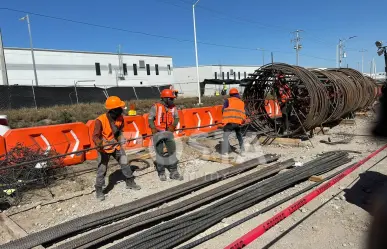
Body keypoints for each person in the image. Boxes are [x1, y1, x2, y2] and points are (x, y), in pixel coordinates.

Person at [93, 96, 141, 201]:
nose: (122, 109)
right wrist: (99, 143)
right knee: (102, 169)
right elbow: (95, 136)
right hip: (104, 148)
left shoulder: (120, 118)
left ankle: (130, 182)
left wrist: (121, 139)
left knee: (125, 163)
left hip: (116, 145)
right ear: (113, 110)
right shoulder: (100, 120)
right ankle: (99, 189)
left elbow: (119, 131)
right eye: (120, 108)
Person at [148, 89, 183, 181]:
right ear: (165, 98)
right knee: (159, 153)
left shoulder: (173, 107)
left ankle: (173, 171)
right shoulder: (156, 107)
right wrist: (153, 128)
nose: (172, 100)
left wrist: (173, 126)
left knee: (172, 151)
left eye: (173, 99)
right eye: (170, 99)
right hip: (158, 133)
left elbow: (176, 118)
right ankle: (161, 172)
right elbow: (150, 119)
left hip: (169, 133)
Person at [221, 88, 247, 155]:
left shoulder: (228, 100)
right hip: (238, 122)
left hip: (230, 122)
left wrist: (225, 119)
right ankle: (242, 151)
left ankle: (226, 151)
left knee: (225, 136)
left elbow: (223, 110)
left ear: (230, 94)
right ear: (237, 94)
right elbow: (243, 112)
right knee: (239, 135)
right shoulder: (241, 102)